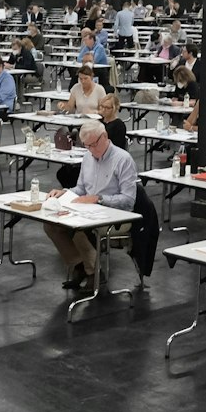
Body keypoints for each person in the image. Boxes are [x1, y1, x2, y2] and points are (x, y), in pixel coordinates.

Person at [41, 118, 138, 291]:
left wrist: (99, 198)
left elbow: (129, 200)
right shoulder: (88, 157)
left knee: (79, 230)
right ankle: (79, 265)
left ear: (105, 137)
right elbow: (81, 188)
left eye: (94, 145)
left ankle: (95, 274)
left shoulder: (123, 160)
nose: (91, 150)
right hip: (90, 211)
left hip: (117, 215)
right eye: (87, 146)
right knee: (51, 225)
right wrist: (64, 192)